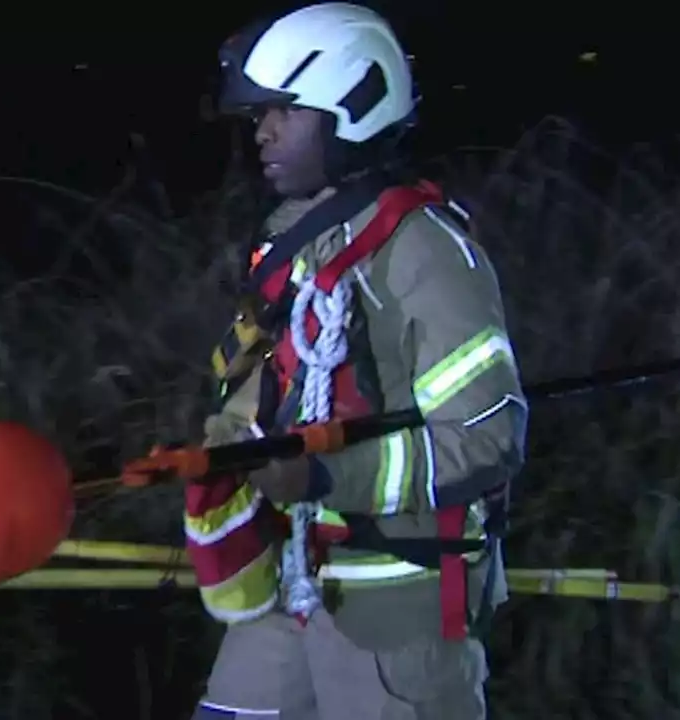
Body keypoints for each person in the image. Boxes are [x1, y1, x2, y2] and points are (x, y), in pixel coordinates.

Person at [185, 4, 529, 719]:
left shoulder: (426, 252)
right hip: (291, 583)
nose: (263, 132)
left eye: (284, 112)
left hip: (399, 617)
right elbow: (254, 387)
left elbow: (488, 440)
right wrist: (226, 453)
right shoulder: (292, 247)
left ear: (352, 109)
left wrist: (321, 474)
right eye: (259, 116)